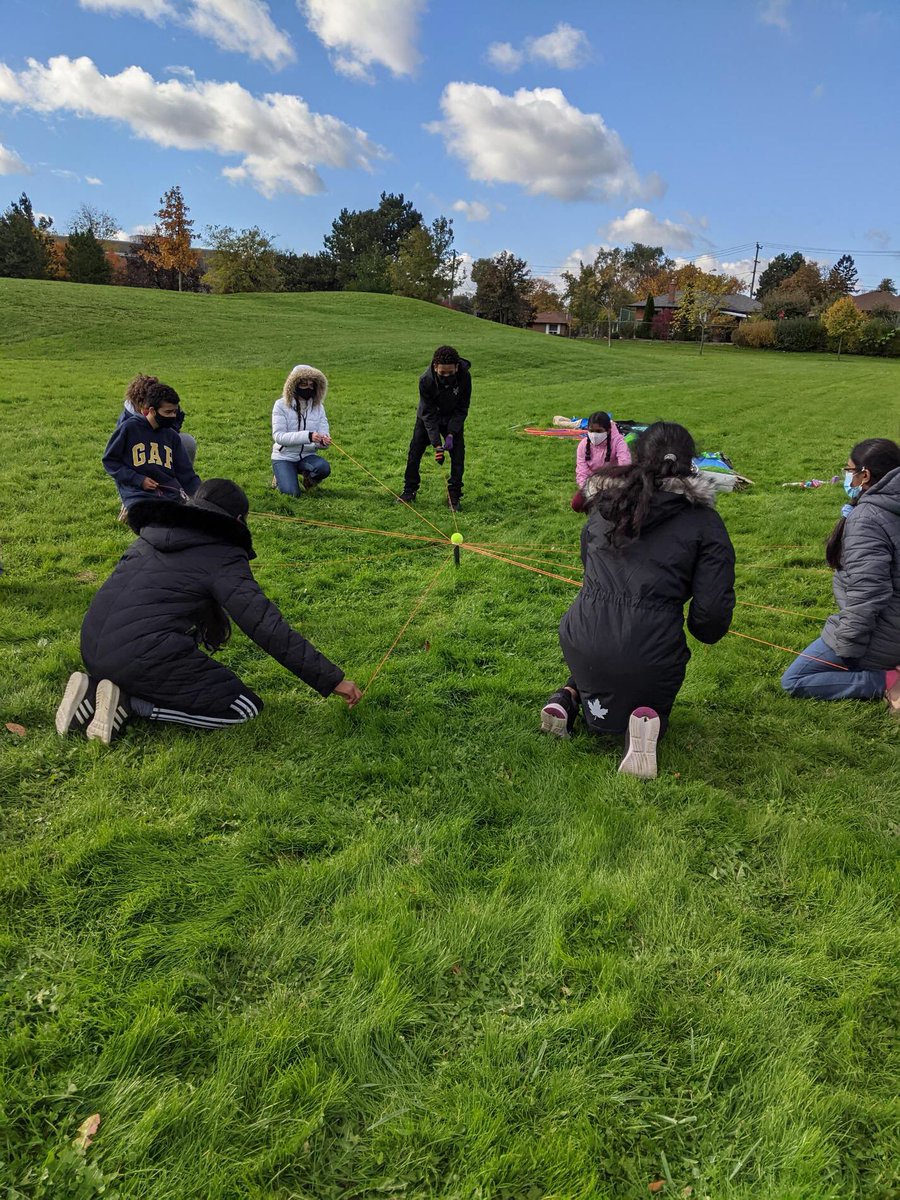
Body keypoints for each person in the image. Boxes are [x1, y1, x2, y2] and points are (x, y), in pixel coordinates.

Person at [55, 479, 361, 744]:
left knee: (146, 648)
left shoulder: (151, 535)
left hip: (92, 645)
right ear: (238, 520)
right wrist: (331, 679)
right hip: (137, 655)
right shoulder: (223, 554)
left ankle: (94, 686)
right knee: (243, 708)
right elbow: (266, 625)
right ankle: (130, 702)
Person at [541, 422, 736, 778]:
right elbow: (710, 617)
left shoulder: (605, 504)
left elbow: (588, 561)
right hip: (649, 647)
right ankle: (646, 718)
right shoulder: (705, 523)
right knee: (643, 661)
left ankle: (568, 697)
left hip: (581, 634)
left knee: (605, 656)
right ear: (690, 464)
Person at [781, 438, 900, 714]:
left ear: (865, 475)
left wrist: (848, 645)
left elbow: (868, 592)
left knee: (794, 680)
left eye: (849, 470)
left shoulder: (867, 518)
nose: (847, 476)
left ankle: (887, 679)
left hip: (886, 634)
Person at [102, 381, 201, 512]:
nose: (173, 416)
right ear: (152, 411)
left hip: (168, 493)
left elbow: (186, 473)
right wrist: (138, 479)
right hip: (137, 493)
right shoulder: (129, 428)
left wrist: (203, 495)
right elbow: (110, 461)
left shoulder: (172, 436)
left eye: (175, 412)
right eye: (168, 412)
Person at [398, 345, 471, 512]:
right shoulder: (425, 380)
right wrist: (437, 444)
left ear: (456, 367)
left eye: (450, 373)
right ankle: (409, 491)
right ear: (435, 367)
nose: (446, 376)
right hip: (428, 417)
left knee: (458, 456)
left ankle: (454, 495)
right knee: (415, 452)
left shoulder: (465, 377)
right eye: (442, 373)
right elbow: (428, 414)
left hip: (452, 416)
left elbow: (462, 408)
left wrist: (451, 433)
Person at [271, 364, 332, 496]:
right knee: (292, 494)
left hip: (307, 456)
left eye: (311, 385)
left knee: (323, 468)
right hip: (284, 457)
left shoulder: (319, 407)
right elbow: (279, 436)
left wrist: (323, 442)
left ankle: (308, 479)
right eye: (304, 384)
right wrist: (308, 436)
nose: (308, 388)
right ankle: (280, 475)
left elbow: (323, 434)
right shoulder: (280, 405)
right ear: (294, 385)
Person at [118, 373, 197, 466]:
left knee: (187, 441)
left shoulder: (168, 406)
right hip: (140, 458)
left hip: (164, 445)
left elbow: (175, 425)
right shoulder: (126, 423)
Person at [575, 410, 631, 488]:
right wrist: (586, 489)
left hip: (614, 481)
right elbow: (582, 472)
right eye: (591, 431)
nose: (594, 434)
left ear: (608, 431)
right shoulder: (583, 445)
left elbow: (624, 466)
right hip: (591, 483)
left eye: (599, 431)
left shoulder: (619, 442)